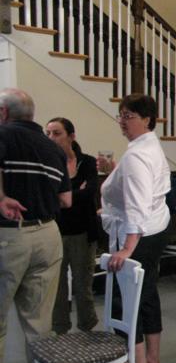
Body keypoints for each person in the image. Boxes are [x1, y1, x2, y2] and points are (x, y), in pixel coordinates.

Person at [0, 88, 71, 363]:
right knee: (39, 321)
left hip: (8, 236)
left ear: (4, 113)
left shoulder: (2, 136)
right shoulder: (53, 148)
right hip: (47, 234)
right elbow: (65, 199)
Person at [99, 94, 170, 363]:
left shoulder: (137, 156)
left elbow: (137, 204)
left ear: (147, 120)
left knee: (126, 301)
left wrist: (127, 247)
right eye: (121, 115)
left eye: (129, 116)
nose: (122, 121)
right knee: (148, 293)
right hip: (154, 229)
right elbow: (141, 186)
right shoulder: (148, 145)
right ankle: (151, 360)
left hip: (139, 235)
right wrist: (116, 170)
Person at [45, 118, 100, 335]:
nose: (51, 138)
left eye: (57, 133)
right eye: (48, 133)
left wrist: (64, 197)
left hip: (83, 233)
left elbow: (90, 192)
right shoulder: (48, 163)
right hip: (55, 232)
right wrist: (76, 193)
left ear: (71, 136)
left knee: (82, 285)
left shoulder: (86, 162)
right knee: (57, 287)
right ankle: (60, 330)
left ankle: (87, 328)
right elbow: (48, 197)